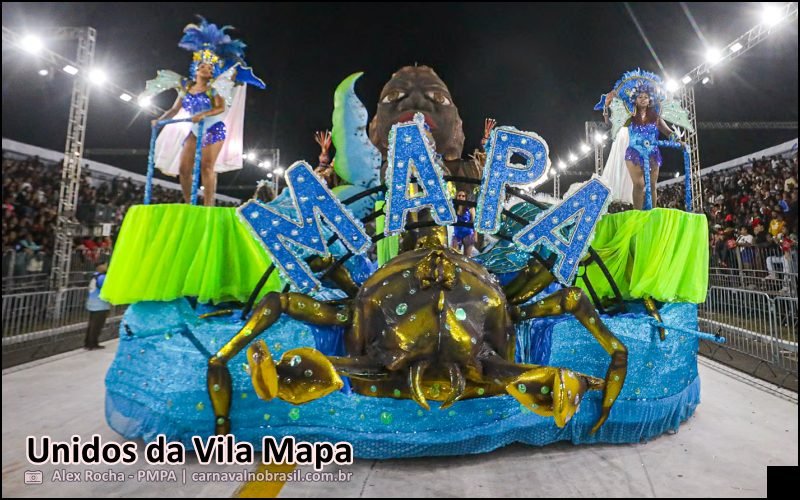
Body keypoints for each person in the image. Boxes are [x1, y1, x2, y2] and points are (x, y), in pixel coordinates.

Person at [143, 17, 265, 206]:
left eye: (210, 67)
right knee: (184, 169)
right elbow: (175, 109)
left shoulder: (214, 88)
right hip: (194, 132)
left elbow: (220, 108)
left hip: (214, 130)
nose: (206, 69)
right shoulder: (186, 87)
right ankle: (189, 204)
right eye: (203, 66)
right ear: (196, 69)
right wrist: (159, 120)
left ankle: (208, 206)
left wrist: (203, 115)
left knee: (207, 168)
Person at [595, 69, 692, 210]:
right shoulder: (630, 116)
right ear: (635, 99)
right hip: (634, 153)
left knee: (652, 185)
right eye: (640, 97)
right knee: (639, 184)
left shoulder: (656, 117)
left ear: (650, 99)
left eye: (646, 97)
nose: (643, 99)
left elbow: (667, 131)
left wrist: (679, 141)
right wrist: (606, 108)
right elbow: (611, 124)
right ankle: (638, 214)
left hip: (652, 152)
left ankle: (651, 213)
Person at [85, 260, 111, 350]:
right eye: (105, 265)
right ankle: (93, 343)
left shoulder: (94, 276)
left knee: (92, 325)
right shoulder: (102, 277)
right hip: (100, 305)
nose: (106, 267)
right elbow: (107, 289)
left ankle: (88, 342)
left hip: (92, 304)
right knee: (96, 326)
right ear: (100, 266)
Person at [451, 190, 476, 256]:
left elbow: (474, 222)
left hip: (468, 234)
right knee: (453, 256)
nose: (461, 197)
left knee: (467, 257)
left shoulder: (470, 208)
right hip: (456, 234)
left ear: (465, 198)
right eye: (459, 196)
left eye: (463, 196)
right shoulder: (453, 209)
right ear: (456, 197)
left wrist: (475, 235)